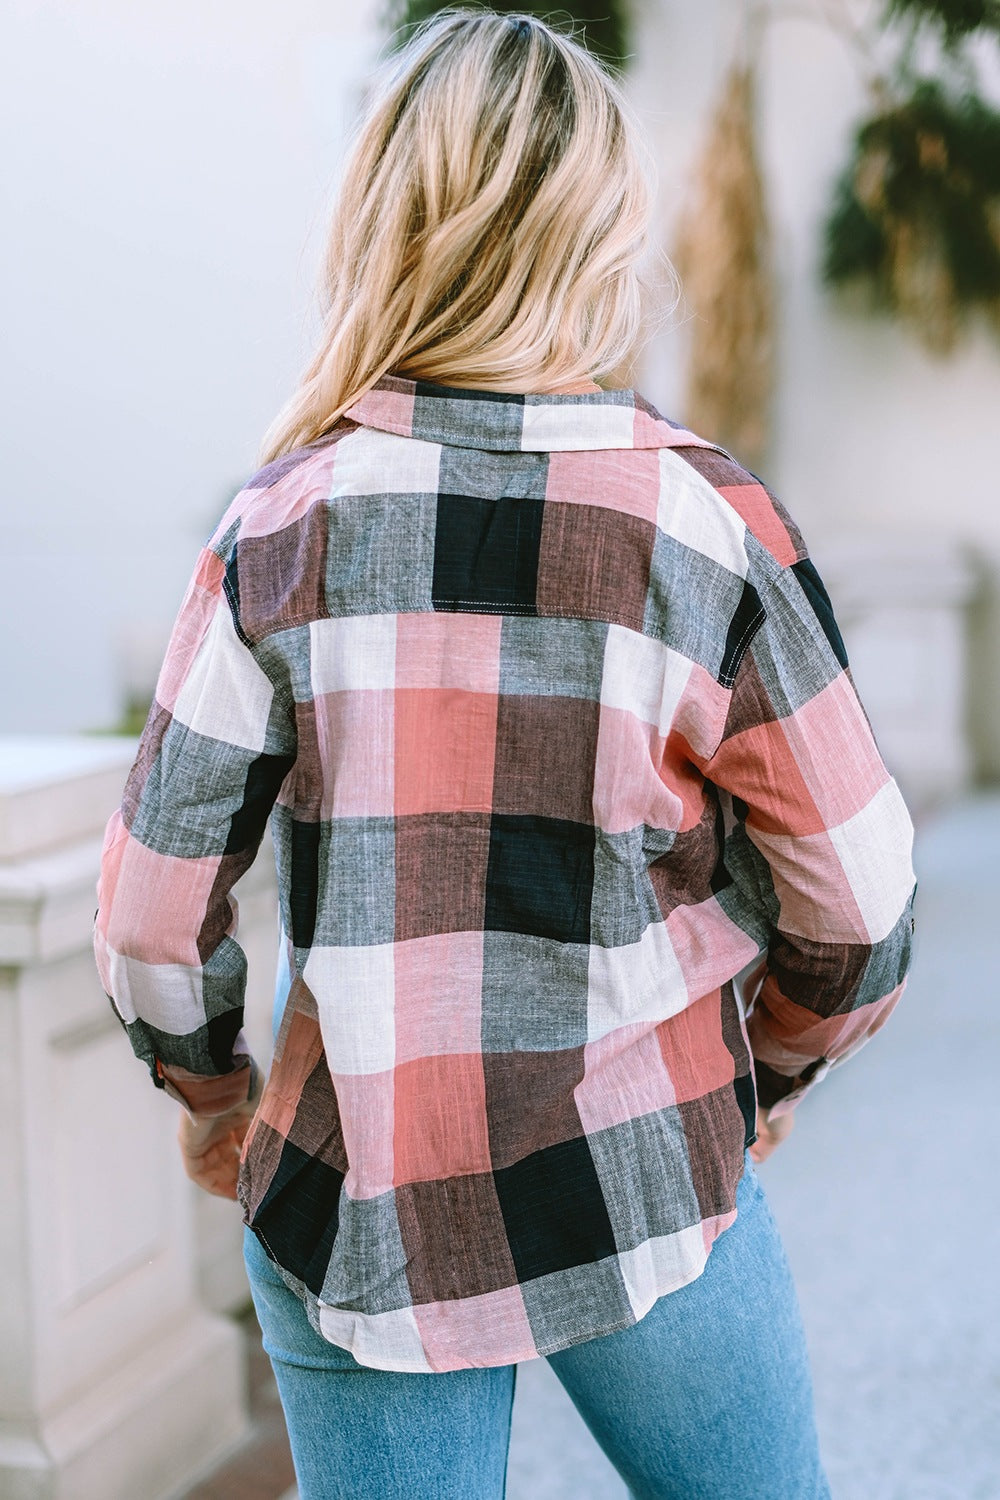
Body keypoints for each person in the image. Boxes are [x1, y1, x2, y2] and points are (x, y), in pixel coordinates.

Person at [94, 9, 916, 1498]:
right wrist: (767, 1078)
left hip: (365, 1200)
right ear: (605, 231)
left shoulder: (279, 529)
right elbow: (858, 900)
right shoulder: (706, 527)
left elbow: (153, 923)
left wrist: (214, 1101)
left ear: (384, 222)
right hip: (645, 1164)